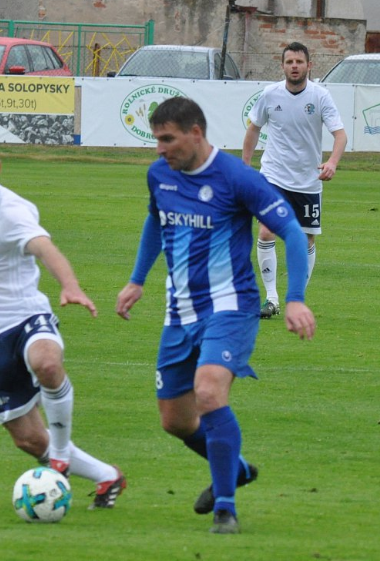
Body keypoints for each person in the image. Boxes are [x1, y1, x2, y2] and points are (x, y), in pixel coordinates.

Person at [116, 97, 316, 533]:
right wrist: (137, 280)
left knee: (208, 392)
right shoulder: (159, 174)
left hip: (231, 306)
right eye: (157, 139)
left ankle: (225, 508)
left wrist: (295, 298)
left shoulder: (237, 177)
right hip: (179, 311)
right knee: (175, 421)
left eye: (167, 139)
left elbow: (291, 231)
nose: (159, 148)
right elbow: (156, 221)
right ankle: (235, 469)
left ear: (196, 133)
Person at [0, 139, 126, 509]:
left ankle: (60, 456)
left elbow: (44, 247)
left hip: (25, 315)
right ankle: (108, 476)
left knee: (47, 363)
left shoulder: (12, 212)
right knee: (28, 440)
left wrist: (70, 285)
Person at [243, 41, 347, 319]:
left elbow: (340, 134)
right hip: (273, 175)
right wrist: (245, 167)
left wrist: (332, 162)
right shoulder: (270, 94)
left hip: (307, 181)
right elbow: (253, 129)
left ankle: (295, 298)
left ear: (309, 65)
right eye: (289, 62)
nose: (294, 66)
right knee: (266, 231)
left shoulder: (320, 96)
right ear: (282, 66)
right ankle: (271, 299)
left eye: (299, 62)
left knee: (305, 240)